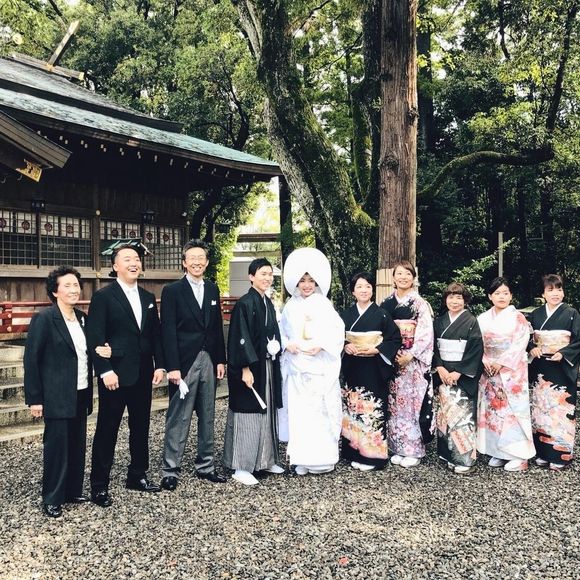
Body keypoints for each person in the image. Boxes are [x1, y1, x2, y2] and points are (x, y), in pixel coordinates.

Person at [24, 267, 109, 518]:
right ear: (55, 291)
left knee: (76, 444)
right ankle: (52, 497)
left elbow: (91, 349)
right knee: (57, 447)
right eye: (67, 285)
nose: (74, 290)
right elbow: (32, 360)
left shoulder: (82, 318)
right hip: (56, 394)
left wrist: (105, 351)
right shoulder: (44, 319)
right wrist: (35, 399)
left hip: (80, 390)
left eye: (76, 285)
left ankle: (72, 490)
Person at [87, 243, 165, 507]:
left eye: (137, 259)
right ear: (115, 266)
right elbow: (95, 337)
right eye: (127, 259)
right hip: (116, 374)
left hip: (143, 372)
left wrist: (160, 365)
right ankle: (99, 485)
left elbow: (155, 335)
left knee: (141, 426)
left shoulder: (147, 297)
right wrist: (105, 370)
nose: (134, 263)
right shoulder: (104, 297)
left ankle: (137, 474)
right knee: (107, 428)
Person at [159, 240, 227, 489]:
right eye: (192, 258)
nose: (197, 262)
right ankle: (170, 469)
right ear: (184, 262)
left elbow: (216, 326)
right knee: (179, 415)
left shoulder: (212, 288)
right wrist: (172, 366)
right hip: (184, 360)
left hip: (208, 358)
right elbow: (167, 330)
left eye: (201, 258)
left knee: (208, 414)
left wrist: (221, 359)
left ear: (206, 262)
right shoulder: (172, 290)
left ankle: (206, 465)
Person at [278, 248, 344, 475]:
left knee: (320, 412)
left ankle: (323, 459)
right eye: (302, 280)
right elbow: (281, 331)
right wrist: (287, 344)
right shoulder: (290, 306)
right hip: (297, 365)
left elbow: (337, 332)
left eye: (311, 280)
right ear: (296, 282)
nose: (306, 285)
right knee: (300, 414)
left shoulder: (324, 304)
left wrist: (323, 345)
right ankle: (301, 459)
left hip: (319, 366)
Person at [223, 258, 285, 485]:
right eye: (262, 274)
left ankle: (265, 460)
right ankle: (241, 466)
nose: (267, 278)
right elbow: (240, 338)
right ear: (251, 277)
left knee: (266, 411)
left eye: (270, 274)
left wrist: (276, 346)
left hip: (266, 365)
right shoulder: (245, 303)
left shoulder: (267, 302)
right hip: (249, 368)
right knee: (248, 414)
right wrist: (245, 368)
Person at [341, 272, 401, 471]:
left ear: (372, 290)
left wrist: (377, 349)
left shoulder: (382, 314)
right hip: (352, 367)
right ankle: (353, 453)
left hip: (374, 368)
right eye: (359, 287)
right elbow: (336, 337)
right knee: (353, 409)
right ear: (353, 291)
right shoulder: (345, 315)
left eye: (367, 286)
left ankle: (373, 458)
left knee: (372, 410)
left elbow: (394, 339)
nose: (364, 290)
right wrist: (345, 345)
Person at [476, 277, 534, 472]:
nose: (501, 297)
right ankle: (499, 452)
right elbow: (477, 343)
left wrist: (501, 363)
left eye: (505, 293)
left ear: (511, 296)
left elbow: (520, 344)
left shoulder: (518, 318)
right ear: (489, 296)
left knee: (513, 411)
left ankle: (519, 455)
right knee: (493, 411)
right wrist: (485, 361)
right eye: (497, 293)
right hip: (489, 369)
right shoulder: (482, 318)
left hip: (511, 371)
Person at [380, 261, 434, 468]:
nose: (403, 277)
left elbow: (426, 334)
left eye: (407, 274)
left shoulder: (420, 304)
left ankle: (414, 449)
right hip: (393, 360)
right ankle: (397, 447)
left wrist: (410, 355)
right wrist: (390, 353)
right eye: (399, 274)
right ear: (393, 277)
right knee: (393, 403)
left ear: (413, 278)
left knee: (412, 404)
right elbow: (381, 331)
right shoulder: (386, 303)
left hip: (412, 362)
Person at [528, 274, 580, 470]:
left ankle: (560, 455)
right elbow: (527, 338)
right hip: (541, 367)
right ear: (543, 294)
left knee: (560, 410)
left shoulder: (572, 313)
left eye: (559, 289)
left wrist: (564, 353)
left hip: (561, 368)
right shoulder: (536, 314)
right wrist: (532, 348)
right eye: (550, 290)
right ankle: (543, 452)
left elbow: (578, 339)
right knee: (540, 409)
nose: (555, 293)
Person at [433, 283, 483, 475]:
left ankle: (464, 459)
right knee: (445, 416)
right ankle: (448, 455)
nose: (454, 301)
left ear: (465, 301)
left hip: (461, 376)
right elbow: (433, 347)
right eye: (451, 297)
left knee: (463, 418)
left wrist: (459, 372)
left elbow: (476, 349)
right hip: (443, 374)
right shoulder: (439, 322)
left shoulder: (471, 321)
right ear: (445, 300)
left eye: (459, 298)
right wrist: (439, 367)